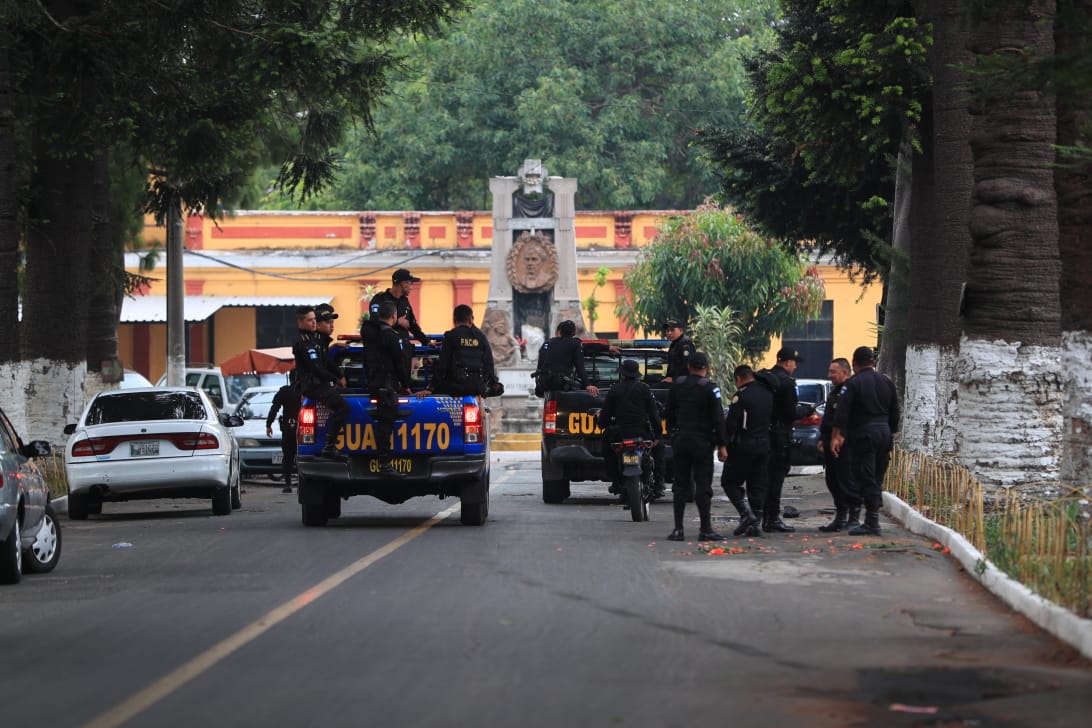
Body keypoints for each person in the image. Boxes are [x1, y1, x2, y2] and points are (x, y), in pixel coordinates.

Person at [831, 346, 900, 536]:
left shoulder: (853, 383)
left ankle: (872, 522)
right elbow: (895, 412)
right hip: (884, 434)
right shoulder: (887, 382)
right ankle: (872, 519)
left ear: (854, 364)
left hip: (864, 434)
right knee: (877, 477)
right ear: (873, 362)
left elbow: (842, 412)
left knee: (866, 477)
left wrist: (837, 435)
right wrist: (890, 431)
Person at [664, 352, 729, 542]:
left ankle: (678, 529)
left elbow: (668, 413)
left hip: (681, 440)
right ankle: (705, 529)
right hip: (702, 442)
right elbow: (718, 419)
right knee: (703, 486)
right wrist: (723, 445)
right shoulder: (710, 389)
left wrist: (674, 434)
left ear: (689, 366)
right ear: (706, 367)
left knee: (680, 485)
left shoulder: (677, 386)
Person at [720, 365, 773, 537]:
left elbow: (732, 423)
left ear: (738, 379)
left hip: (744, 446)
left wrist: (724, 444)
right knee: (757, 484)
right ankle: (755, 524)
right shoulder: (767, 393)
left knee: (729, 481)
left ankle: (746, 514)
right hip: (764, 444)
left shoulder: (741, 396)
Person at [292, 304, 351, 460]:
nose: (313, 323)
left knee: (342, 403)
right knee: (343, 407)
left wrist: (339, 375)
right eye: (310, 320)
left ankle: (329, 446)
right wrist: (334, 378)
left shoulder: (315, 338)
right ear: (301, 322)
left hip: (319, 383)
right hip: (313, 385)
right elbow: (316, 368)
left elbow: (326, 360)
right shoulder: (303, 341)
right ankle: (329, 447)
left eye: (314, 320)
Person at [598, 359, 661, 501]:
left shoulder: (614, 390)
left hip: (619, 434)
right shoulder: (644, 389)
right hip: (642, 432)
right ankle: (658, 484)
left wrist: (602, 424)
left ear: (623, 374)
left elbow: (605, 417)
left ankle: (615, 481)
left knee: (608, 450)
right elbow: (653, 413)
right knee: (658, 450)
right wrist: (658, 434)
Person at [361, 300, 412, 476]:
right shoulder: (390, 336)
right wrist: (406, 385)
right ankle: (385, 464)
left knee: (384, 423)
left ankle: (384, 462)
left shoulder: (369, 333)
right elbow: (400, 363)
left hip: (373, 383)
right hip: (387, 386)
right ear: (394, 316)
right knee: (386, 424)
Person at [418, 304, 502, 398]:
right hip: (477, 387)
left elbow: (443, 366)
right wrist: (494, 383)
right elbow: (489, 363)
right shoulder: (481, 337)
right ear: (471, 319)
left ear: (454, 320)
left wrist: (431, 389)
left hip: (456, 388)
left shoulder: (451, 336)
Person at [762, 347, 802, 533]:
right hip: (779, 436)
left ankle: (762, 516)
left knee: (764, 478)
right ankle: (772, 518)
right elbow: (790, 412)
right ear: (788, 362)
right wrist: (807, 411)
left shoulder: (766, 378)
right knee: (776, 478)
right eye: (794, 363)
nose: (795, 366)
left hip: (763, 434)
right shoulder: (787, 382)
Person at [817, 357, 857, 531]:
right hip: (829, 441)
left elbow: (845, 419)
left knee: (846, 481)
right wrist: (823, 438)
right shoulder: (836, 391)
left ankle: (853, 517)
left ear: (845, 372)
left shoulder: (850, 390)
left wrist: (839, 437)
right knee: (832, 481)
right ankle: (840, 517)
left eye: (833, 372)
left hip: (843, 443)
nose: (829, 375)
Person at [369, 268, 435, 362]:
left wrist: (426, 342)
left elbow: (413, 325)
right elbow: (375, 321)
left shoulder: (405, 302)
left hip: (404, 352)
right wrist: (397, 322)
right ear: (403, 283)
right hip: (386, 353)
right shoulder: (380, 299)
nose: (411, 287)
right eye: (410, 283)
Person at [534, 320, 599, 397]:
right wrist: (588, 385)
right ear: (574, 333)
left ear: (560, 332)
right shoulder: (576, 344)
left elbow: (540, 366)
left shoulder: (548, 343)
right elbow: (580, 368)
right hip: (560, 385)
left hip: (544, 384)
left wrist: (539, 383)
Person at [266, 369, 302, 493]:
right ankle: (303, 483)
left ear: (290, 379)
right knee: (302, 455)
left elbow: (274, 408)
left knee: (287, 457)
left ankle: (288, 484)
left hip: (288, 429)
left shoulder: (284, 391)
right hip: (304, 429)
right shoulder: (305, 391)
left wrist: (268, 424)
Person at [662, 319, 695, 383]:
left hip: (683, 384)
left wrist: (674, 379)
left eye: (672, 330)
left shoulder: (685, 343)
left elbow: (688, 367)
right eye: (667, 330)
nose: (669, 333)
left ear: (681, 330)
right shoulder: (674, 344)